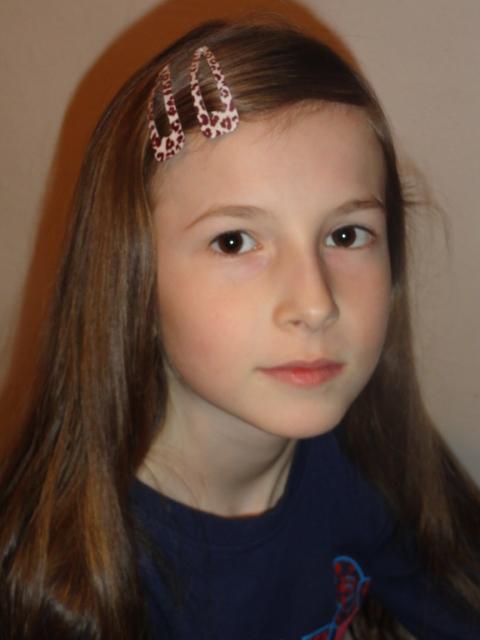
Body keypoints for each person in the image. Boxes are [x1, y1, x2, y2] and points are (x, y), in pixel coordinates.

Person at [0, 18, 479, 640]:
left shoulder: (374, 458)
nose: (315, 304)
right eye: (234, 241)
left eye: (345, 234)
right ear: (132, 275)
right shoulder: (68, 588)